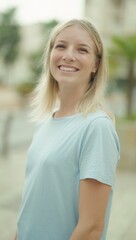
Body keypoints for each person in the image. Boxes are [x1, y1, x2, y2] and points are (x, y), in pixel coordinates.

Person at [16, 19, 120, 240]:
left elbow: (91, 228)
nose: (68, 55)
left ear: (95, 65)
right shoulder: (45, 123)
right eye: (61, 46)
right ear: (50, 55)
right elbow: (31, 206)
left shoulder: (96, 127)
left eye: (82, 49)